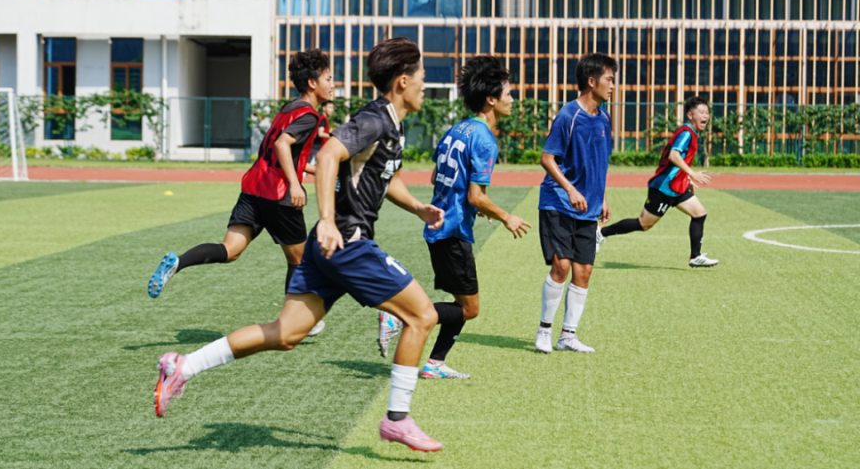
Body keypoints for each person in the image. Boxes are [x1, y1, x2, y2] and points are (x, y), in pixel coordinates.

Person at [153, 37, 448, 453]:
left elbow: (385, 175)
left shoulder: (391, 126)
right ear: (402, 81)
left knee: (287, 333)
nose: (424, 85)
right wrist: (327, 220)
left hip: (327, 247)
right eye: (421, 77)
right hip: (347, 243)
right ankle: (397, 419)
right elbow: (329, 155)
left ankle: (182, 366)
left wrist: (417, 207)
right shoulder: (376, 118)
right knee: (423, 315)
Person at [148, 48, 333, 336]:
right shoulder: (310, 116)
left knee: (230, 251)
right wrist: (296, 185)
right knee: (298, 260)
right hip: (279, 195)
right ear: (312, 82)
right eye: (329, 78)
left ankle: (178, 262)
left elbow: (276, 152)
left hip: (253, 187)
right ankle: (293, 320)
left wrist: (310, 172)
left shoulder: (289, 108)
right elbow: (283, 146)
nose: (334, 84)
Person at [377, 56, 532, 381]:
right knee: (469, 309)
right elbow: (476, 195)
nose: (512, 99)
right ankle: (400, 315)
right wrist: (505, 216)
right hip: (453, 231)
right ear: (491, 99)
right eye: (508, 93)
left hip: (438, 227)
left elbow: (438, 175)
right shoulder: (485, 139)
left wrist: (476, 205)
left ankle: (434, 363)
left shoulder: (458, 128)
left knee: (459, 301)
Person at [534, 53, 616, 355]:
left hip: (588, 207)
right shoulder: (569, 115)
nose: (612, 86)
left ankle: (568, 335)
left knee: (583, 272)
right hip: (558, 201)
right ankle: (544, 330)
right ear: (591, 82)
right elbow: (547, 158)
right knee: (562, 266)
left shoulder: (604, 117)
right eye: (609, 79)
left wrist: (602, 196)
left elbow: (600, 161)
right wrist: (569, 188)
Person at [597, 96, 718, 267]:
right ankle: (602, 233)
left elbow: (677, 160)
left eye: (707, 112)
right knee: (643, 224)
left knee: (699, 213)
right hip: (664, 188)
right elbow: (674, 155)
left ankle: (695, 256)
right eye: (702, 112)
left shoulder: (691, 133)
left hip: (677, 187)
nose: (706, 115)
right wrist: (692, 173)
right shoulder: (687, 133)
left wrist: (686, 177)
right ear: (690, 115)